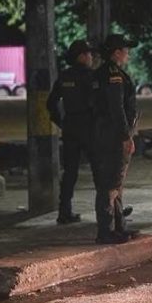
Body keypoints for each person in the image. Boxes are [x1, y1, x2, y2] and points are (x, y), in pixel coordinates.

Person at [90, 34, 139, 244]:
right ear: (116, 52)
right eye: (125, 49)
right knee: (111, 184)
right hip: (113, 136)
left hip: (104, 133)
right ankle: (106, 230)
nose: (128, 53)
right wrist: (126, 136)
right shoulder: (113, 75)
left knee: (115, 183)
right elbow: (116, 108)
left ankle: (119, 227)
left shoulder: (100, 74)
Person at [47, 39, 98, 225]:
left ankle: (64, 212)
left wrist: (61, 122)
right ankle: (108, 210)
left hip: (70, 127)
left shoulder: (64, 76)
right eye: (89, 54)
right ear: (82, 56)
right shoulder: (92, 76)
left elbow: (51, 103)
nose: (91, 57)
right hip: (88, 128)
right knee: (99, 170)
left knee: (70, 172)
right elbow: (97, 104)